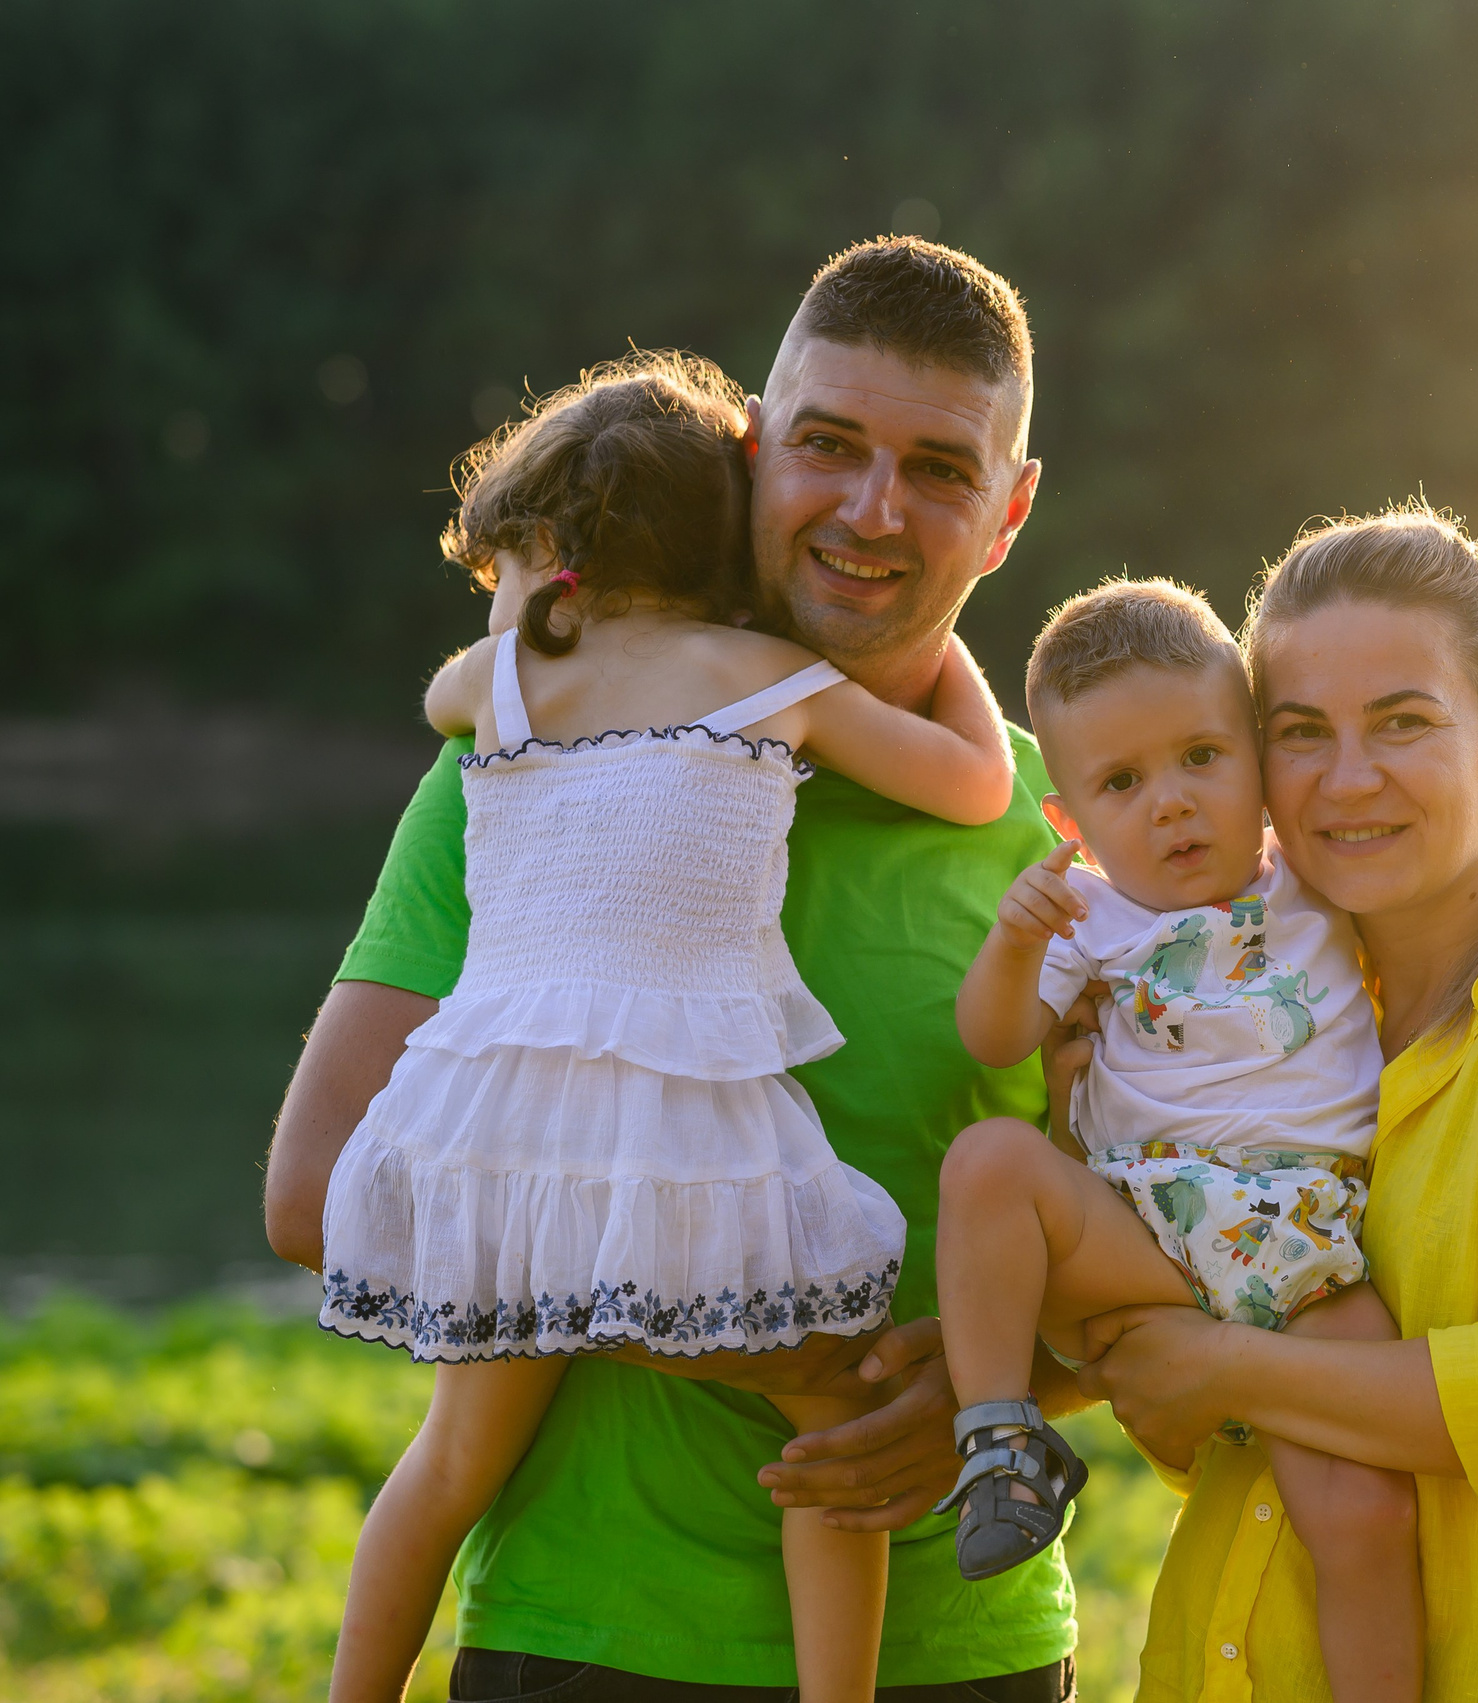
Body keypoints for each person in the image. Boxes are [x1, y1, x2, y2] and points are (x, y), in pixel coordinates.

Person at [265, 238, 1083, 1703]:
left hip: (971, 1655)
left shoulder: (1079, 837)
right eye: (827, 445)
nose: (872, 507)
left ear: (1011, 510)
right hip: (589, 1638)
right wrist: (744, 1330)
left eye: (941, 469)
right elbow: (315, 1193)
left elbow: (1185, 1234)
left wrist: (995, 1384)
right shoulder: (514, 776)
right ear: (754, 453)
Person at [1071, 503, 1478, 1701]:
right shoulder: (1270, 1013)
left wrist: (1222, 1367)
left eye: (1403, 724)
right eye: (1300, 732)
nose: (1347, 777)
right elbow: (1190, 1400)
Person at [934, 581, 1421, 1700]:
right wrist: (1014, 945)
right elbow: (989, 1036)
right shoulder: (1088, 914)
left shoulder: (1315, 875)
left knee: (1367, 1508)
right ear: (1069, 820)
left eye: (1202, 756)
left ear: (1256, 757)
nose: (1173, 805)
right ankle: (999, 1438)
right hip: (1147, 1230)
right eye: (1122, 782)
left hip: (1308, 1241)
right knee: (989, 1165)